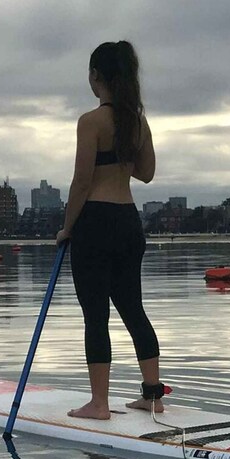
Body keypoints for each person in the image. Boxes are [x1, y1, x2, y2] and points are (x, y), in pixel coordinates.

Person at [55, 40, 163, 420]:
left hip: (96, 223)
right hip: (129, 222)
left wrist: (67, 228)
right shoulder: (138, 121)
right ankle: (153, 395)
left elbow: (81, 182)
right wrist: (122, 154)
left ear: (95, 76)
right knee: (134, 309)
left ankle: (99, 403)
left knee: (95, 316)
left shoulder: (91, 121)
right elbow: (146, 174)